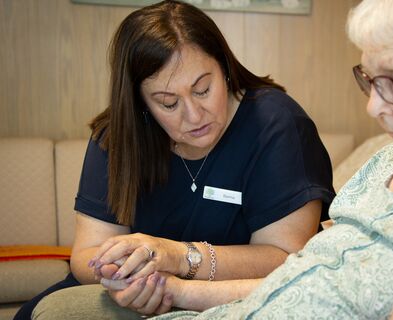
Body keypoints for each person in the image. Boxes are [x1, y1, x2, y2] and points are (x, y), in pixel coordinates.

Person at [33, 0, 393, 319]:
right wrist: (176, 291)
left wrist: (182, 262)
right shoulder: (383, 166)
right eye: (368, 79)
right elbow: (306, 270)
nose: (372, 105)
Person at [16, 0, 336, 319]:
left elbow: (285, 257)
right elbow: (87, 254)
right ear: (140, 103)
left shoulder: (276, 124)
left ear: (224, 69)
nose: (195, 115)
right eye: (169, 103)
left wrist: (177, 257)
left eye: (203, 89)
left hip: (233, 298)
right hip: (130, 294)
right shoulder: (118, 134)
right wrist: (129, 277)